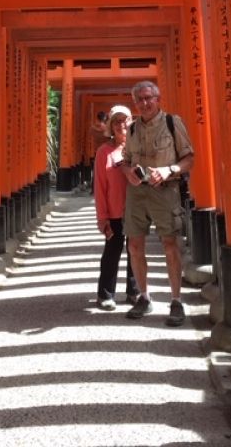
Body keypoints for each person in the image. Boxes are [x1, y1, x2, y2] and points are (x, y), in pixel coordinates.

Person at [121, 81, 194, 327]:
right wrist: (128, 171)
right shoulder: (131, 129)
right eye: (139, 99)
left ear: (158, 98)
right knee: (134, 244)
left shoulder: (173, 123)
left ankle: (176, 300)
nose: (145, 103)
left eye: (149, 98)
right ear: (135, 103)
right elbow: (125, 160)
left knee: (170, 243)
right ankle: (144, 296)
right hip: (137, 193)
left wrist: (168, 170)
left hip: (166, 190)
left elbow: (188, 158)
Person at [93, 105, 140, 310]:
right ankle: (105, 294)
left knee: (136, 251)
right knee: (112, 252)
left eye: (126, 120)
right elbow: (100, 186)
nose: (122, 125)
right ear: (111, 126)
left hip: (136, 210)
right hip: (114, 211)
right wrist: (102, 218)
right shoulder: (104, 152)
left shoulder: (138, 147)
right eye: (117, 121)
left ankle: (135, 291)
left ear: (132, 122)